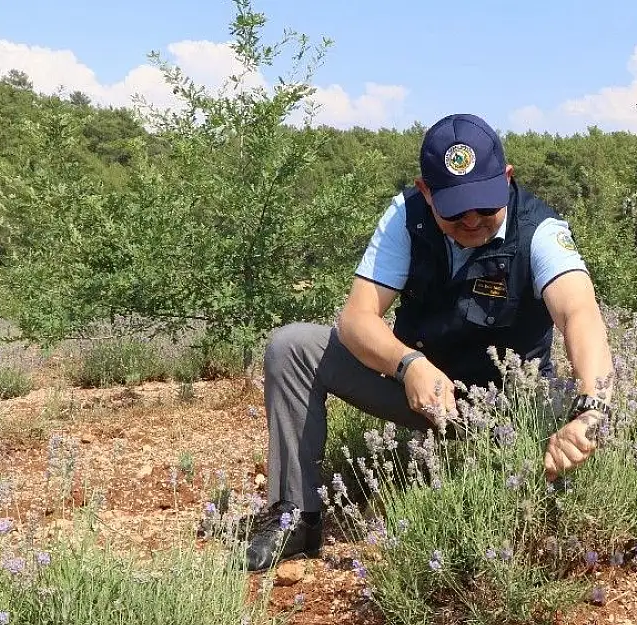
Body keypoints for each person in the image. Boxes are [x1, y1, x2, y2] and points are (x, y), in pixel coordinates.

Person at [241, 113, 614, 572]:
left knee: (550, 497)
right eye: (455, 209)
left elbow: (579, 312)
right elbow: (357, 318)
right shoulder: (405, 217)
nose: (473, 219)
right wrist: (408, 363)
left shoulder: (540, 229)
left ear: (508, 178)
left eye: (485, 204)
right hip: (419, 393)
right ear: (426, 192)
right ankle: (296, 517)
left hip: (508, 411)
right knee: (291, 346)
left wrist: (591, 410)